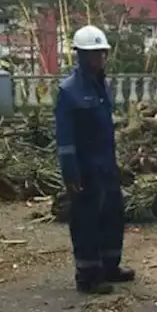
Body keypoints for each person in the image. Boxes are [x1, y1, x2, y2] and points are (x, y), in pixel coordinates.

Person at [56, 25, 133, 295]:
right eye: (94, 54)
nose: (100, 58)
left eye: (102, 53)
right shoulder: (69, 91)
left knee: (113, 214)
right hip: (85, 168)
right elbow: (65, 140)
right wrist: (70, 173)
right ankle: (88, 275)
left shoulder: (103, 87)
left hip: (106, 164)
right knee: (87, 220)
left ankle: (110, 265)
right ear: (81, 56)